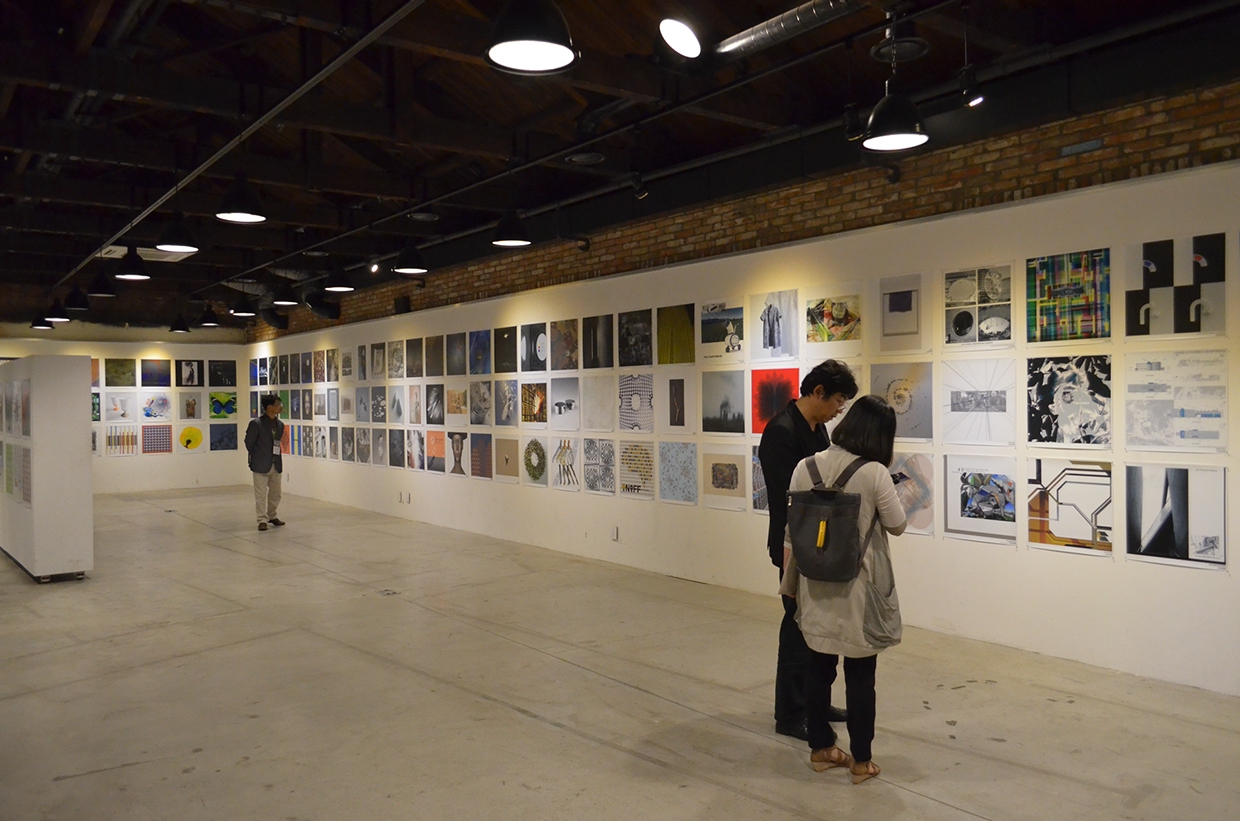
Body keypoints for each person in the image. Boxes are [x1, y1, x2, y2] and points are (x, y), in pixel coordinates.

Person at [783, 395, 907, 784]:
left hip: (814, 586)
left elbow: (791, 528)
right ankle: (861, 761)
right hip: (858, 591)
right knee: (861, 675)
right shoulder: (874, 473)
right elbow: (897, 524)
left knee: (819, 669)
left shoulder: (805, 467)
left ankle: (821, 748)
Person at [758, 360, 858, 740]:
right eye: (837, 401)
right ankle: (790, 713)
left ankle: (815, 701)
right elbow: (788, 499)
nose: (838, 410)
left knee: (818, 627)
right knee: (797, 628)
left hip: (819, 543)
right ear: (818, 392)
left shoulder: (817, 430)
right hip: (793, 545)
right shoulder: (781, 433)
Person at [244, 394, 286, 532]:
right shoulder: (256, 424)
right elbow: (249, 443)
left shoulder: (280, 425)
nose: (280, 407)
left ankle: (272, 515)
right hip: (260, 464)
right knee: (260, 494)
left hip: (275, 463)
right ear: (269, 407)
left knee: (276, 493)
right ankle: (262, 519)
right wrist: (257, 455)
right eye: (278, 404)